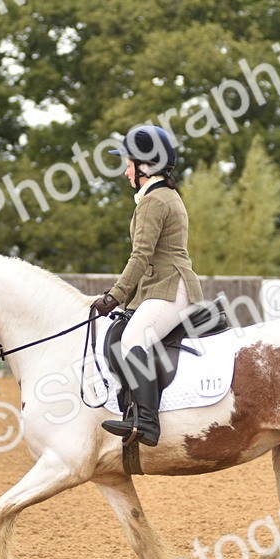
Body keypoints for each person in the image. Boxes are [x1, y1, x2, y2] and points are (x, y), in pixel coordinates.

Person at [91, 125, 204, 447]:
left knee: (133, 339)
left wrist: (115, 296)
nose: (126, 171)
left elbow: (140, 256)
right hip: (162, 286)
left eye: (129, 164)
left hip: (169, 287)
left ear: (146, 166)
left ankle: (147, 423)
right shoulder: (161, 196)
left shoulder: (154, 201)